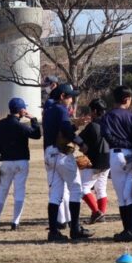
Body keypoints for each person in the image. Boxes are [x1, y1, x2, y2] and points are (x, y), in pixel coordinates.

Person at [42, 84, 89, 242]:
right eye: (69, 96)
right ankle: (75, 229)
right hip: (61, 154)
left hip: (49, 153)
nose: (71, 99)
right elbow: (66, 132)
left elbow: (59, 130)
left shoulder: (48, 111)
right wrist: (81, 143)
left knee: (55, 194)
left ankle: (53, 231)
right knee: (75, 189)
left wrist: (75, 125)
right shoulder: (61, 110)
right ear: (62, 96)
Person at [0, 97, 41, 231]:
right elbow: (37, 135)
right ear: (22, 110)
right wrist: (33, 120)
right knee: (19, 191)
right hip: (21, 162)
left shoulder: (0, 124)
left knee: (2, 191)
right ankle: (15, 222)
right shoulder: (21, 126)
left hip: (5, 161)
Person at [102, 85, 132, 243]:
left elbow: (107, 136)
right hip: (130, 155)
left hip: (115, 155)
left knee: (122, 197)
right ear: (127, 99)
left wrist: (120, 142)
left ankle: (127, 231)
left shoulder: (108, 116)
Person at [78, 99, 111, 224]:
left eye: (91, 110)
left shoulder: (92, 125)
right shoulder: (109, 123)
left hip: (95, 160)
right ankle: (100, 215)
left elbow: (79, 139)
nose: (90, 113)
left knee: (83, 189)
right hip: (108, 158)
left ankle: (97, 212)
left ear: (95, 111)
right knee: (101, 188)